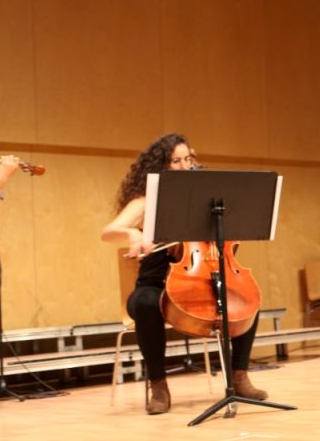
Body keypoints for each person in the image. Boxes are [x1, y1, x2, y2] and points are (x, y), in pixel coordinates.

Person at [101, 133, 268, 414]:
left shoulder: (210, 200)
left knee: (245, 296)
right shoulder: (147, 201)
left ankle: (239, 376)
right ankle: (159, 385)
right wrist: (131, 232)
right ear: (160, 166)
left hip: (202, 279)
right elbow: (108, 233)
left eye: (187, 158)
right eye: (175, 160)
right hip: (156, 284)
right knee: (143, 303)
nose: (183, 166)